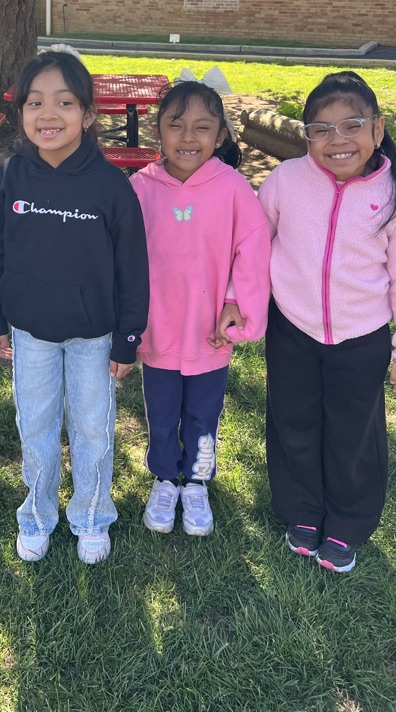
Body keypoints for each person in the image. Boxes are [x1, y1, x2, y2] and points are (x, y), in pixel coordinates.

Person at [0, 47, 149, 565]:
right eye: (35, 103)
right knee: (36, 425)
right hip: (30, 332)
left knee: (93, 429)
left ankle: (93, 515)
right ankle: (37, 514)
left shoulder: (111, 188)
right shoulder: (8, 177)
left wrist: (128, 336)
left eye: (64, 103)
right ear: (21, 112)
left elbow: (133, 269)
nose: (48, 115)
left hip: (94, 336)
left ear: (88, 115)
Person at [258, 71, 396, 573]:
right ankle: (303, 512)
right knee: (294, 422)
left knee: (353, 432)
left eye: (351, 125)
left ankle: (349, 522)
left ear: (378, 129)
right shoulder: (286, 182)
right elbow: (251, 248)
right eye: (321, 129)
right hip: (292, 329)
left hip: (361, 339)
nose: (337, 141)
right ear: (306, 135)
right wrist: (237, 300)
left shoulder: (395, 196)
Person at [130, 73, 271, 537]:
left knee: (203, 413)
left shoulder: (232, 188)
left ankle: (197, 481)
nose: (188, 137)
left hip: (211, 330)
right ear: (157, 132)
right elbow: (120, 258)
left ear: (221, 135)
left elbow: (250, 250)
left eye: (202, 127)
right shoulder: (138, 189)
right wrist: (127, 323)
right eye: (176, 124)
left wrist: (235, 302)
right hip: (159, 330)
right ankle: (165, 477)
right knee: (163, 411)